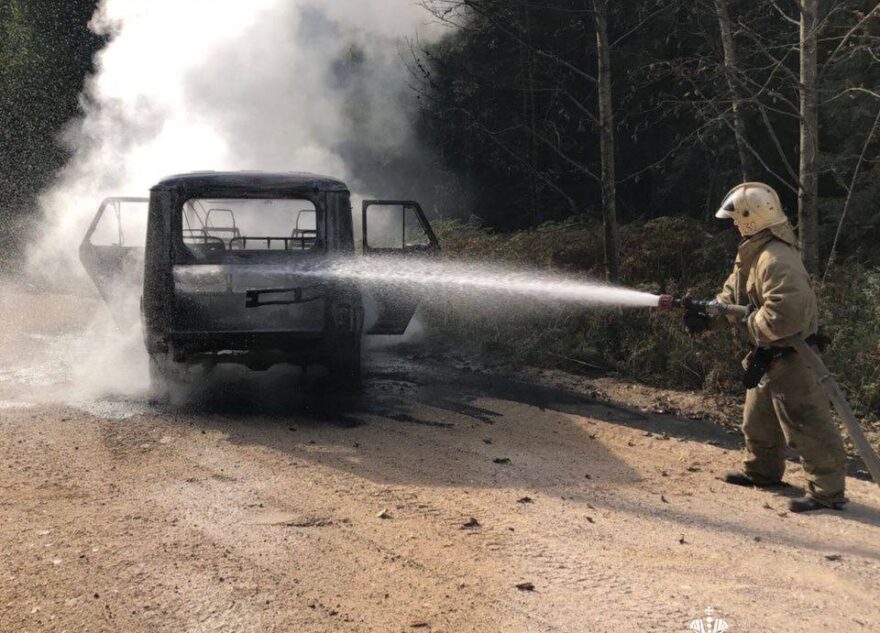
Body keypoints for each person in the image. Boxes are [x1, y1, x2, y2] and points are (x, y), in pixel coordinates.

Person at [685, 182, 847, 513]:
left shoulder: (776, 258)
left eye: (736, 217)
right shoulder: (751, 252)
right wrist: (707, 315)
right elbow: (734, 299)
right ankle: (762, 471)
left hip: (793, 356)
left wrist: (748, 324)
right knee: (758, 421)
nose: (732, 223)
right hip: (768, 353)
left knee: (807, 423)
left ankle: (827, 492)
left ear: (752, 217)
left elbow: (785, 315)